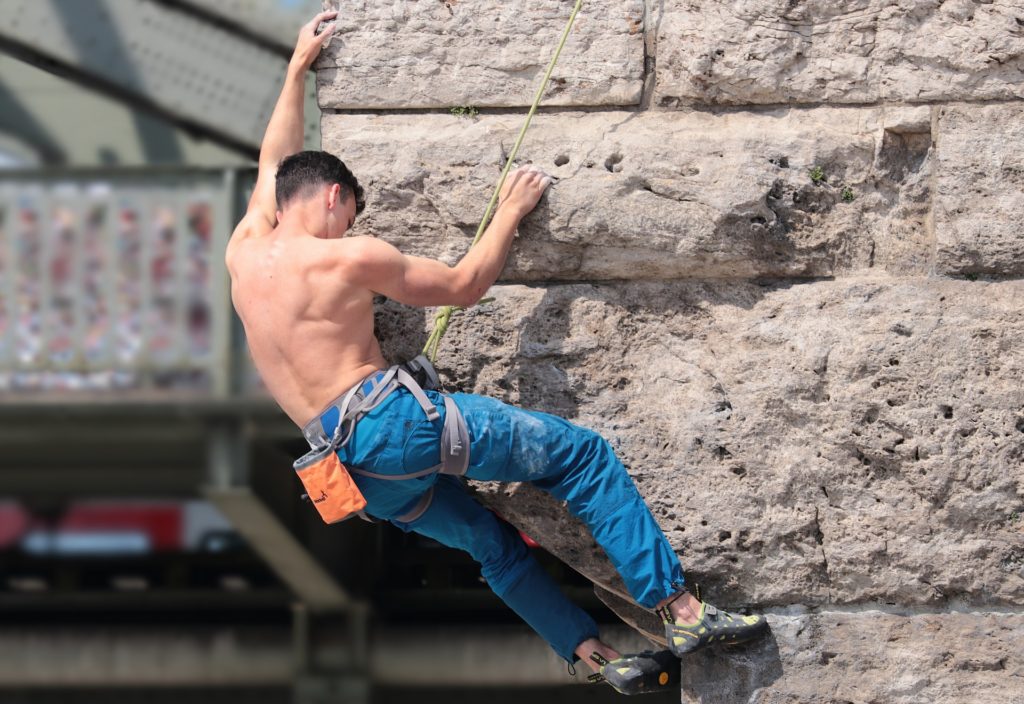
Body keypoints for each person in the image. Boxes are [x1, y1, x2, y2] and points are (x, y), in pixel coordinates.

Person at [225, 11, 767, 695]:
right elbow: (463, 286)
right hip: (392, 430)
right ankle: (682, 612)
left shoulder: (244, 251)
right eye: (351, 213)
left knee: (492, 547)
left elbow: (273, 160)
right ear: (335, 197)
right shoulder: (347, 257)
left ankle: (599, 659)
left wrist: (297, 68)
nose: (350, 227)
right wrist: (509, 210)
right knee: (581, 456)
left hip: (347, 474)